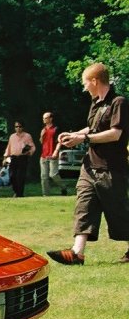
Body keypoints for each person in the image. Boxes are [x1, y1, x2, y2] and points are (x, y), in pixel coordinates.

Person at [47, 62, 129, 265]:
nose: (84, 87)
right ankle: (77, 253)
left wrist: (84, 139)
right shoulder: (95, 103)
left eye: (85, 83)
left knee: (117, 211)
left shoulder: (119, 102)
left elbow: (115, 133)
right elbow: (92, 128)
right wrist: (75, 134)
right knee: (84, 205)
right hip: (90, 165)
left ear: (94, 81)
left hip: (111, 168)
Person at [2, 120, 36, 197]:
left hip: (22, 157)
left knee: (20, 176)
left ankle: (19, 194)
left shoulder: (27, 136)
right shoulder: (12, 136)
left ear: (22, 127)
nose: (18, 128)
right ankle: (16, 191)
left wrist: (29, 152)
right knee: (12, 176)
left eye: (20, 126)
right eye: (16, 126)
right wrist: (5, 158)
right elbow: (8, 148)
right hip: (13, 158)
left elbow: (32, 147)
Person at [39, 112, 66, 196]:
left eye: (46, 118)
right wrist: (41, 135)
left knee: (53, 175)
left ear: (51, 118)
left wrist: (56, 151)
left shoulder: (56, 129)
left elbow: (59, 142)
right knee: (44, 177)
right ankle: (45, 195)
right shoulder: (43, 129)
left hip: (52, 154)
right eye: (43, 118)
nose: (44, 120)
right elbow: (41, 142)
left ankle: (63, 187)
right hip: (44, 155)